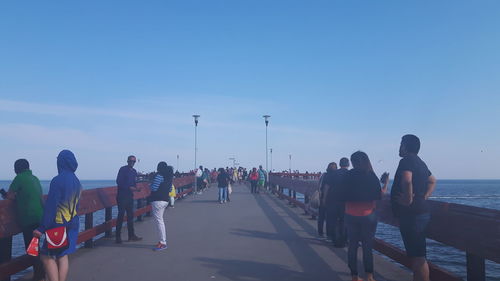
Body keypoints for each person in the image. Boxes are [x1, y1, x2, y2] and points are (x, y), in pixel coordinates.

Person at [391, 135, 436, 281]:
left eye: (401, 144)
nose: (399, 147)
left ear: (405, 146)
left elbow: (407, 180)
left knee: (418, 257)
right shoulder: (420, 163)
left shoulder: (406, 161)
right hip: (420, 212)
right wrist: (424, 197)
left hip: (412, 215)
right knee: (418, 255)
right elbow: (432, 181)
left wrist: (408, 199)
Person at [33, 150, 82, 281]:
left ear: (60, 162)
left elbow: (51, 208)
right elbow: (76, 206)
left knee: (46, 256)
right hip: (72, 223)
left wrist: (41, 228)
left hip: (58, 225)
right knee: (63, 254)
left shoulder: (57, 180)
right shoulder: (77, 181)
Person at [341, 151, 388, 281]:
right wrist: (386, 183)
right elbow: (379, 194)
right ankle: (369, 276)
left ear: (352, 162)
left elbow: (341, 194)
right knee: (367, 247)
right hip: (367, 215)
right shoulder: (371, 175)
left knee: (352, 246)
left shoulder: (347, 175)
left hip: (350, 214)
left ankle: (354, 276)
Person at [8, 159, 45, 281]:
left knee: (32, 248)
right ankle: (40, 273)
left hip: (28, 218)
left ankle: (39, 275)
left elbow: (10, 195)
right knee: (35, 245)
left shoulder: (19, 178)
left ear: (17, 169)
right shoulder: (35, 178)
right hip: (39, 217)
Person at [323, 157, 350, 247]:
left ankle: (335, 239)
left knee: (333, 221)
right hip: (345, 202)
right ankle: (344, 240)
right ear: (348, 164)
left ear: (339, 164)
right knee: (344, 221)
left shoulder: (333, 174)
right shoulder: (350, 174)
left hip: (332, 200)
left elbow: (327, 187)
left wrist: (324, 198)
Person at [115, 155, 142, 244]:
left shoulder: (134, 171)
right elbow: (119, 182)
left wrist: (135, 188)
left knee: (130, 216)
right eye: (131, 161)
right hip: (122, 196)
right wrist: (130, 188)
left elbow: (133, 183)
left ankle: (131, 235)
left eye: (134, 161)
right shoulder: (123, 169)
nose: (132, 163)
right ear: (127, 161)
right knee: (121, 216)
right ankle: (118, 237)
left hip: (130, 196)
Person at [149, 162, 173, 251]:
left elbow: (154, 188)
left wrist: (150, 184)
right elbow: (170, 189)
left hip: (157, 200)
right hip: (165, 200)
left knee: (159, 221)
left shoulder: (159, 176)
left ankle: (163, 242)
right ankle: (162, 241)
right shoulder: (169, 177)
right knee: (160, 221)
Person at [317, 162, 337, 239]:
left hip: (322, 197)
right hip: (332, 199)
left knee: (321, 216)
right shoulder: (335, 176)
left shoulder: (324, 175)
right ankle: (329, 234)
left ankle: (320, 233)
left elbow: (319, 185)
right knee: (329, 218)